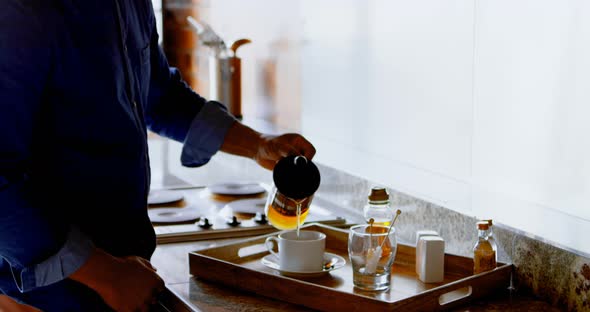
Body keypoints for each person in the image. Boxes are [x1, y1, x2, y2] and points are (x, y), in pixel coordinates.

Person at [0, 1, 316, 311]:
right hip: (40, 295)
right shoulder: (22, 12)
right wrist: (107, 275)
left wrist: (257, 144)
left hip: (121, 274)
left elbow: (161, 94)